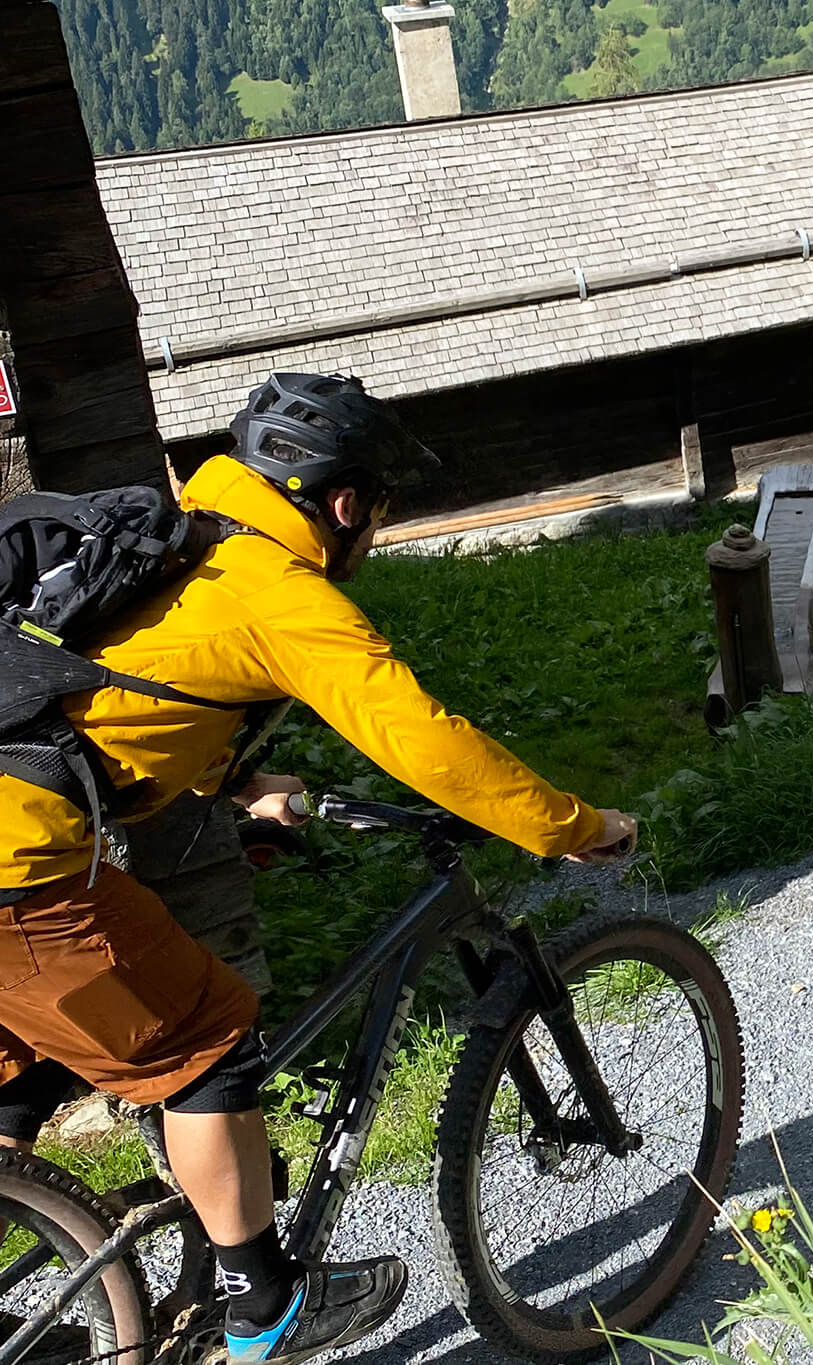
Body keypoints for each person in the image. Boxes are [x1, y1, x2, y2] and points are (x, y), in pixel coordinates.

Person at [0, 372, 637, 1364]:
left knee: (32, 1056)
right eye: (375, 509)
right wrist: (569, 824)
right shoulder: (282, 595)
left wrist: (233, 781)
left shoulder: (178, 539)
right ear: (342, 502)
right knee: (205, 1044)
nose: (373, 532)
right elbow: (426, 741)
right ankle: (268, 1308)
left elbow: (116, 692)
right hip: (17, 868)